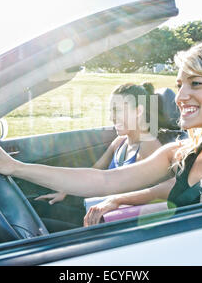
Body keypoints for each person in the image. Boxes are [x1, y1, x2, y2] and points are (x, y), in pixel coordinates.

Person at [0, 40, 202, 229]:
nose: (181, 96)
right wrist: (15, 168)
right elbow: (102, 181)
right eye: (179, 84)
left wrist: (125, 213)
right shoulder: (181, 153)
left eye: (195, 84)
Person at [22, 82, 163, 230]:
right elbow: (94, 173)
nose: (111, 117)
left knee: (36, 227)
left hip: (112, 222)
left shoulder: (150, 148)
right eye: (111, 111)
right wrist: (65, 191)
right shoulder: (120, 142)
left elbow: (149, 197)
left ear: (138, 111)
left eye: (117, 111)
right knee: (36, 207)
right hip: (96, 210)